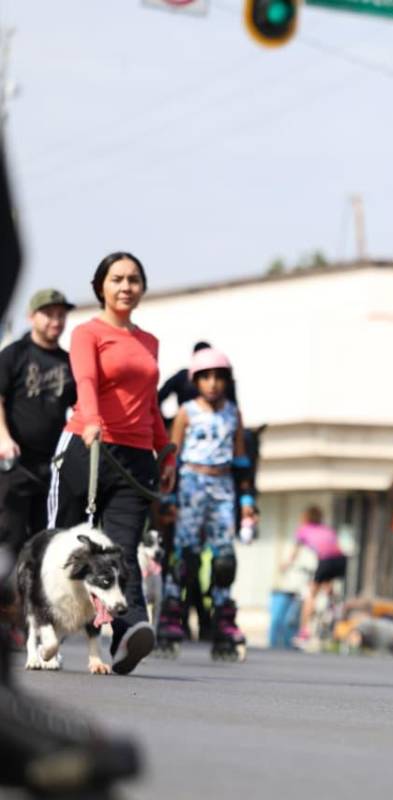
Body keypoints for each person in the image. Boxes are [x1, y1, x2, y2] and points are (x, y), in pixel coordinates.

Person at [46, 252, 176, 675]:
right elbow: (86, 380)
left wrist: (165, 448)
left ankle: (128, 630)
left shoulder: (149, 341)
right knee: (65, 541)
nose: (126, 287)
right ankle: (46, 625)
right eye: (117, 279)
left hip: (136, 458)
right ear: (101, 285)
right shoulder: (88, 333)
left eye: (134, 280)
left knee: (122, 550)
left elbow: (150, 405)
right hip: (89, 447)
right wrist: (93, 420)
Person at [155, 348, 255, 659]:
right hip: (191, 485)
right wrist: (168, 498)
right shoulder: (186, 412)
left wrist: (248, 500)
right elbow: (173, 458)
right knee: (185, 557)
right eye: (206, 378)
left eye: (219, 378)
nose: (213, 384)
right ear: (196, 381)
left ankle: (223, 620)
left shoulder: (233, 413)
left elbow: (241, 460)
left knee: (224, 559)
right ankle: (171, 617)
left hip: (223, 486)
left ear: (227, 381)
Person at [0, 290, 77, 553]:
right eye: (49, 314)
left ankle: (33, 595)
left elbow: (81, 407)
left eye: (61, 315)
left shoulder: (69, 362)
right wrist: (3, 438)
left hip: (52, 466)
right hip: (14, 463)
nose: (56, 321)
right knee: (9, 536)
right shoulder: (14, 354)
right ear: (31, 316)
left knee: (45, 542)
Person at [281, 506, 346, 643]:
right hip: (340, 560)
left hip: (326, 560)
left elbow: (295, 552)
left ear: (305, 518)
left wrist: (286, 565)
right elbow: (336, 547)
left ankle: (304, 631)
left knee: (311, 595)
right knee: (328, 587)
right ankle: (335, 612)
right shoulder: (327, 529)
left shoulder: (303, 530)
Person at [158, 341, 238, 430]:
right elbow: (158, 398)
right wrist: (168, 423)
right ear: (194, 381)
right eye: (205, 377)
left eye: (217, 377)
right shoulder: (184, 412)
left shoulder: (232, 411)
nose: (212, 384)